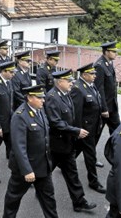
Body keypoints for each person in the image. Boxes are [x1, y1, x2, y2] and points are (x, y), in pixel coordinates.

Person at [45, 68, 97, 213]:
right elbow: (55, 122)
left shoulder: (66, 94)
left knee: (72, 173)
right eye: (68, 81)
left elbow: (71, 116)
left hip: (67, 143)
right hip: (56, 144)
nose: (71, 83)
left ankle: (79, 202)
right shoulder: (52, 97)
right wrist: (75, 131)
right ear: (60, 82)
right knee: (45, 171)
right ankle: (33, 188)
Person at [2, 85, 57, 218]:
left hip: (43, 166)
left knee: (49, 200)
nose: (43, 100)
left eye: (43, 97)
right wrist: (27, 170)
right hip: (25, 169)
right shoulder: (20, 116)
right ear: (29, 98)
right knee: (13, 198)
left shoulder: (39, 110)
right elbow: (19, 146)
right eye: (39, 97)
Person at [71, 63, 106, 193]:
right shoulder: (78, 88)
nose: (95, 76)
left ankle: (62, 165)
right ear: (84, 75)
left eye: (94, 73)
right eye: (92, 74)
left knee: (71, 152)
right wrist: (78, 130)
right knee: (90, 156)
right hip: (85, 129)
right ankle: (94, 182)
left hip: (93, 126)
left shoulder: (91, 86)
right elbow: (76, 112)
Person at [94, 41, 121, 140]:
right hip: (104, 108)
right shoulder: (99, 66)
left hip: (112, 106)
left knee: (118, 133)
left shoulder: (109, 63)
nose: (116, 53)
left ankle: (115, 154)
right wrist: (104, 108)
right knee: (95, 135)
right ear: (106, 52)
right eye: (113, 51)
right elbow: (99, 89)